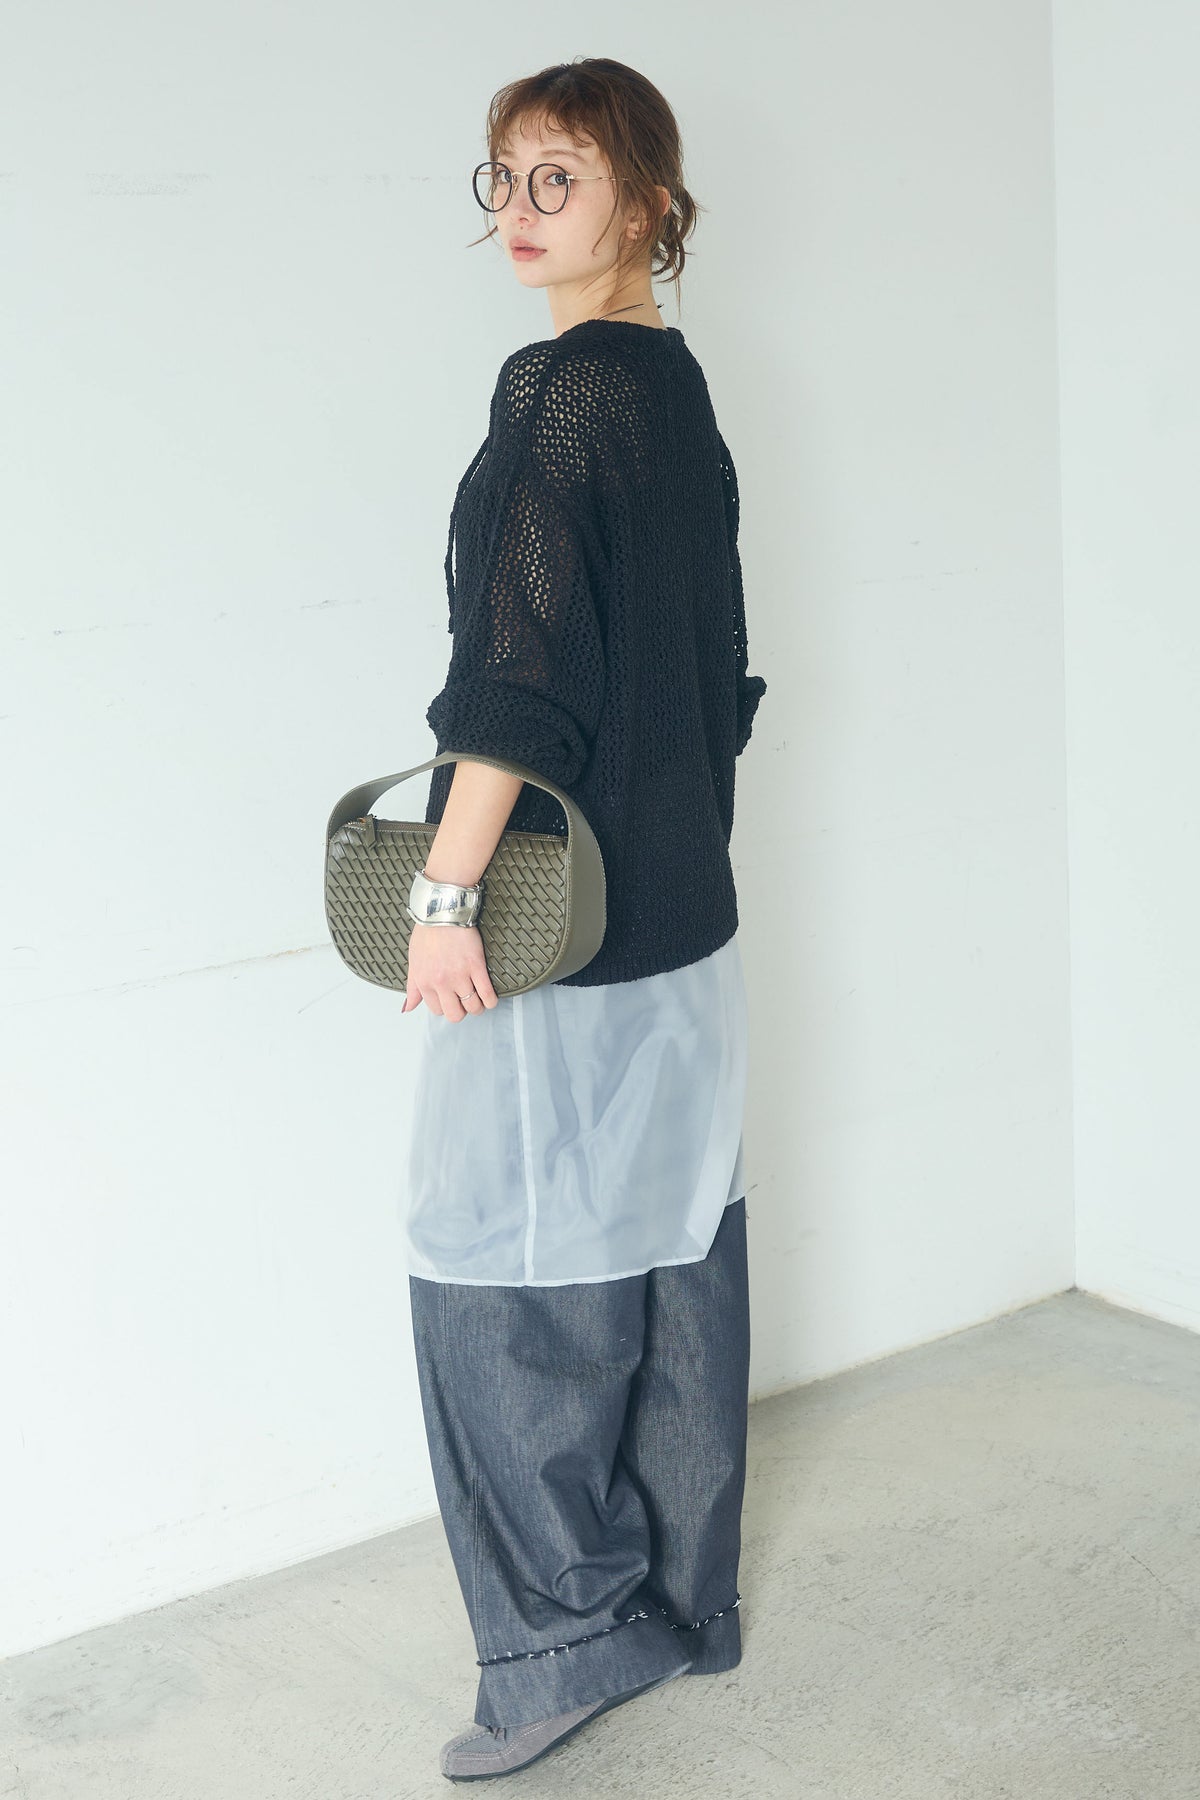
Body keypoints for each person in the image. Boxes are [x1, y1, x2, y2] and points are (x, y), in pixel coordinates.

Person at [399, 56, 768, 1783]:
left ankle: (563, 1644)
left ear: (649, 203)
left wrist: (446, 890)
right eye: (506, 178)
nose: (522, 212)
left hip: (560, 920)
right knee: (672, 1246)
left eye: (562, 176)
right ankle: (687, 1600)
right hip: (687, 914)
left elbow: (516, 681)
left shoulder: (557, 395)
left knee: (510, 1269)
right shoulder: (680, 392)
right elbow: (719, 678)